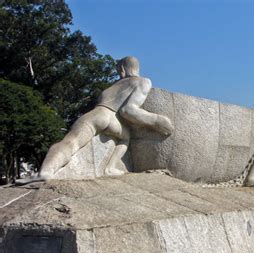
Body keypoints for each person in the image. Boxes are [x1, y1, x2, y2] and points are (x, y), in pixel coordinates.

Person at [19, 56, 173, 183]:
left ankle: (46, 171)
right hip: (116, 123)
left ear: (122, 69)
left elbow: (128, 110)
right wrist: (156, 121)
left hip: (99, 115)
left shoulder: (116, 87)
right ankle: (110, 167)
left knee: (70, 142)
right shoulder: (142, 82)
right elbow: (128, 111)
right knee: (125, 139)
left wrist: (156, 121)